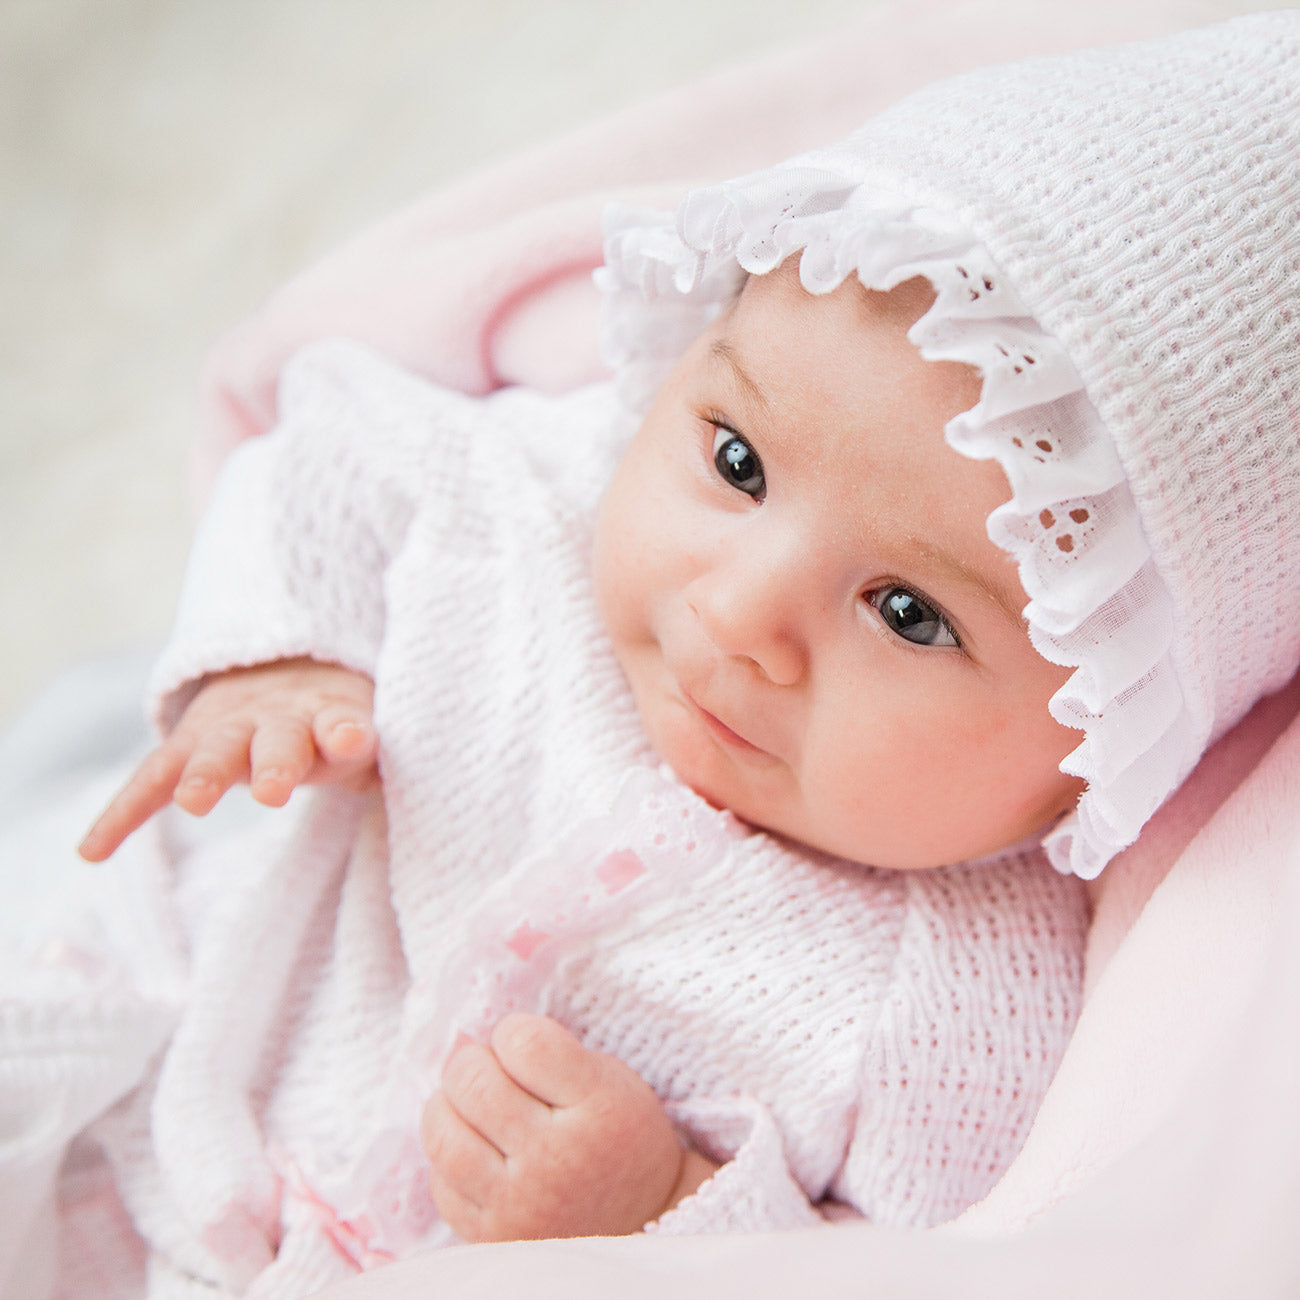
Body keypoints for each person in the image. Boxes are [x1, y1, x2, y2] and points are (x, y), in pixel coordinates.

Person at [16, 10, 1300, 1297]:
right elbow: (336, 449)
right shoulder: (532, 513)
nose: (739, 613)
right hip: (148, 1050)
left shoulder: (968, 1008)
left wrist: (665, 1206)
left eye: (910, 612)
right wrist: (278, 662)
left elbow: (895, 1265)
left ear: (1106, 732)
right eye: (737, 462)